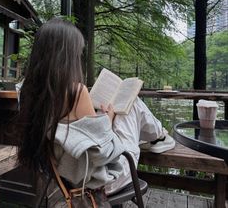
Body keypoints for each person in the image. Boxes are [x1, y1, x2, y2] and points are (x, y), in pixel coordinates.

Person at [16, 17, 175, 198]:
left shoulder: (26, 91)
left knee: (122, 107)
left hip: (59, 179)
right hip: (98, 183)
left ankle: (156, 136)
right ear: (68, 56)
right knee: (131, 104)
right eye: (78, 53)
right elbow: (104, 152)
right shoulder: (76, 92)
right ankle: (159, 136)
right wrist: (108, 118)